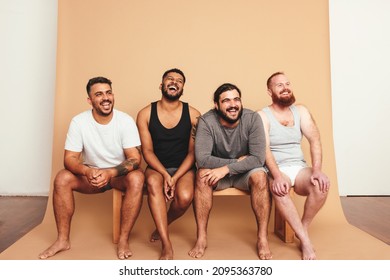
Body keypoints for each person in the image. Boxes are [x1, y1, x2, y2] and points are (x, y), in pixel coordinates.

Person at [38, 77, 144, 260]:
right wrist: (88, 171)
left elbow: (135, 159)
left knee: (138, 178)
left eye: (108, 92)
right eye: (99, 94)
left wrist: (110, 172)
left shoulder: (125, 121)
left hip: (117, 175)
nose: (106, 98)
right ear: (90, 100)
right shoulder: (79, 122)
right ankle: (62, 240)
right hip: (91, 176)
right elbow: (69, 159)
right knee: (62, 178)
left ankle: (124, 240)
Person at [188, 83, 272, 260]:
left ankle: (262, 238)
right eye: (226, 101)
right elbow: (202, 159)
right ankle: (201, 237)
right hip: (217, 173)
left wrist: (226, 168)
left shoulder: (252, 118)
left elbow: (258, 159)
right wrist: (235, 162)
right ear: (216, 105)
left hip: (245, 173)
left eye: (236, 99)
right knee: (202, 175)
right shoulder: (206, 121)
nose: (233, 105)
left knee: (260, 176)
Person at [258, 71, 330, 260]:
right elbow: (264, 150)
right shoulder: (262, 116)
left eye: (287, 83)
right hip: (276, 167)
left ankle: (302, 228)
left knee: (321, 185)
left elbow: (315, 140)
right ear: (269, 91)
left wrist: (316, 170)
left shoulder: (301, 111)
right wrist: (277, 175)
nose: (285, 88)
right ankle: (306, 243)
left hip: (298, 166)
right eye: (279, 85)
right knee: (280, 189)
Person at [136, 68, 201, 260]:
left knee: (185, 197)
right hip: (157, 167)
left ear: (182, 88)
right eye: (170, 79)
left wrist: (175, 176)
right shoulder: (145, 113)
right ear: (161, 85)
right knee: (155, 186)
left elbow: (192, 153)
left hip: (184, 167)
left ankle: (163, 224)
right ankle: (166, 244)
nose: (174, 82)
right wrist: (165, 174)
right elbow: (146, 151)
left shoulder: (194, 114)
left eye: (179, 80)